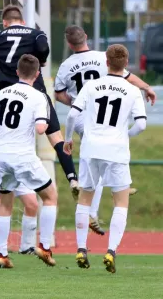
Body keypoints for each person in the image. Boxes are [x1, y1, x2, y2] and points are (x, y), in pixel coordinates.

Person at [55, 25, 156, 235]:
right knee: (104, 152)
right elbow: (128, 78)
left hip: (83, 114)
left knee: (96, 156)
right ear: (87, 38)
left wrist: (77, 103)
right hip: (103, 113)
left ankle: (111, 190)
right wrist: (146, 87)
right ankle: (98, 205)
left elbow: (59, 94)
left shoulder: (66, 65)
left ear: (69, 44)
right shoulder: (103, 57)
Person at [64, 44, 147, 273]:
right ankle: (111, 251)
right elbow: (141, 124)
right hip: (116, 150)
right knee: (120, 201)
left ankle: (81, 248)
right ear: (126, 63)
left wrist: (68, 139)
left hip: (91, 148)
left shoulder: (91, 86)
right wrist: (125, 136)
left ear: (107, 62)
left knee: (85, 198)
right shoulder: (132, 90)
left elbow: (72, 114)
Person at [0, 5, 79, 199]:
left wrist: (3, 75)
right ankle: (73, 178)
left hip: (8, 96)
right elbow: (43, 47)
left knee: (2, 135)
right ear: (23, 21)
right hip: (36, 93)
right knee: (56, 138)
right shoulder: (35, 33)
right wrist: (41, 60)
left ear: (4, 23)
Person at [0, 54, 58, 269]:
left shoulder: (3, 93)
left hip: (2, 157)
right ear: (37, 74)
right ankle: (44, 247)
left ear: (17, 72)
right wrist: (42, 122)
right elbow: (41, 128)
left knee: (5, 205)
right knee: (50, 196)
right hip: (23, 156)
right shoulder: (38, 97)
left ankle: (3, 254)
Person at [0, 164, 38, 255]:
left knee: (32, 205)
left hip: (22, 167)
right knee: (1, 205)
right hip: (3, 167)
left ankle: (26, 247)